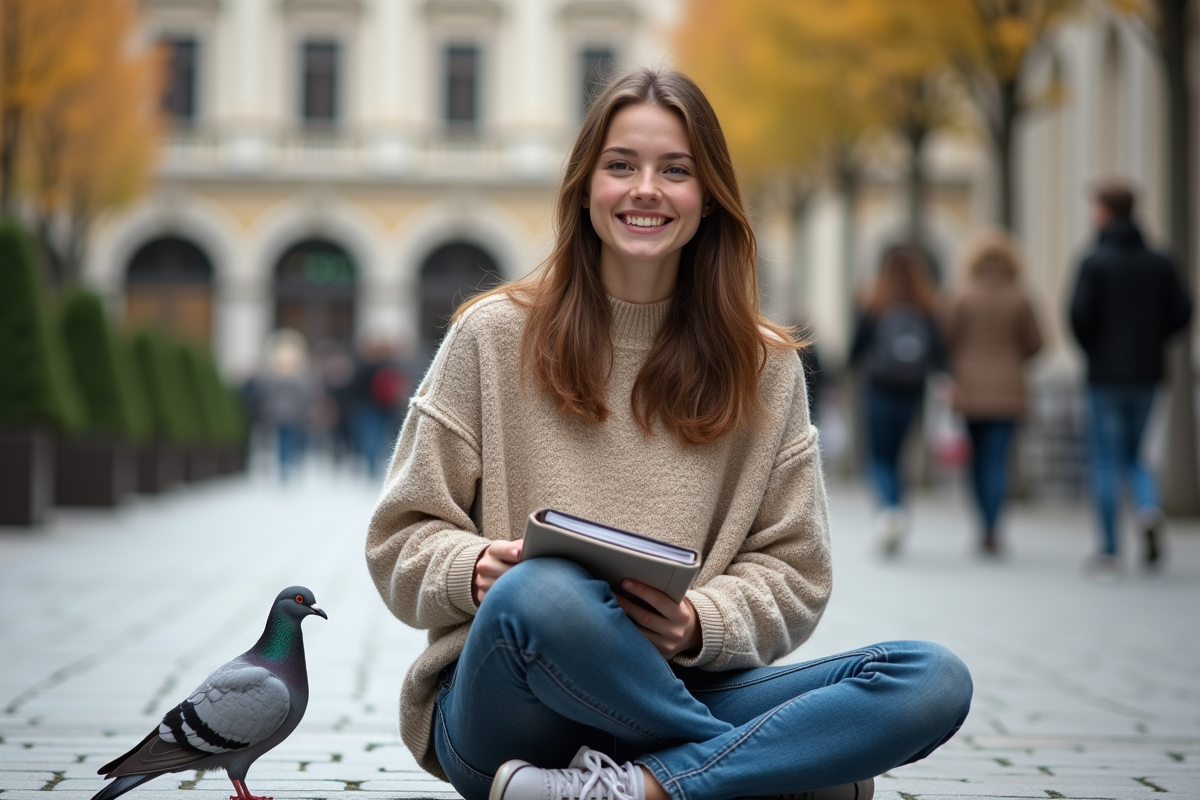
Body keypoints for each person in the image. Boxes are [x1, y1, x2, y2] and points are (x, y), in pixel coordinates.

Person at [366, 68, 971, 800]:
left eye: (675, 171)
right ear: (585, 188)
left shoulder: (765, 366)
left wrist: (694, 622)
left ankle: (647, 789)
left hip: (682, 684)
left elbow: (795, 572)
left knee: (931, 678)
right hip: (509, 713)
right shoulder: (491, 335)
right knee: (545, 593)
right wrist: (475, 571)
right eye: (620, 165)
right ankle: (762, 774)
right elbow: (401, 535)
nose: (645, 189)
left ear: (708, 196)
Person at [1068, 182, 1192, 574]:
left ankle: (1108, 550)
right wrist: (1153, 340)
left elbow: (1078, 316)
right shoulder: (1160, 259)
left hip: (1105, 375)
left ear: (1105, 211)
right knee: (1136, 455)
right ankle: (1148, 508)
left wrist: (1095, 348)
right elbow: (1183, 311)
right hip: (1148, 373)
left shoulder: (1095, 260)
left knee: (1105, 459)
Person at [941, 231, 1042, 556]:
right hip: (1010, 390)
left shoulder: (960, 294)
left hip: (970, 390)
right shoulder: (1020, 295)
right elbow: (1037, 342)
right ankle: (993, 527)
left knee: (976, 459)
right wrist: (1013, 360)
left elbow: (945, 337)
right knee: (997, 460)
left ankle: (983, 524)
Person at [848, 244, 946, 556]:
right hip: (911, 393)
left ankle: (889, 511)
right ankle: (897, 512)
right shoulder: (926, 304)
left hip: (879, 389)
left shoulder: (874, 302)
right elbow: (938, 352)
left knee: (878, 457)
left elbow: (856, 350)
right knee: (899, 456)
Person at [256, 329, 317, 481]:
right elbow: (307, 392)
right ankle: (286, 462)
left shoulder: (271, 372)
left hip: (278, 412)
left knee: (282, 438)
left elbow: (263, 391)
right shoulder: (299, 373)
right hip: (292, 413)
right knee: (289, 438)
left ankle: (284, 462)